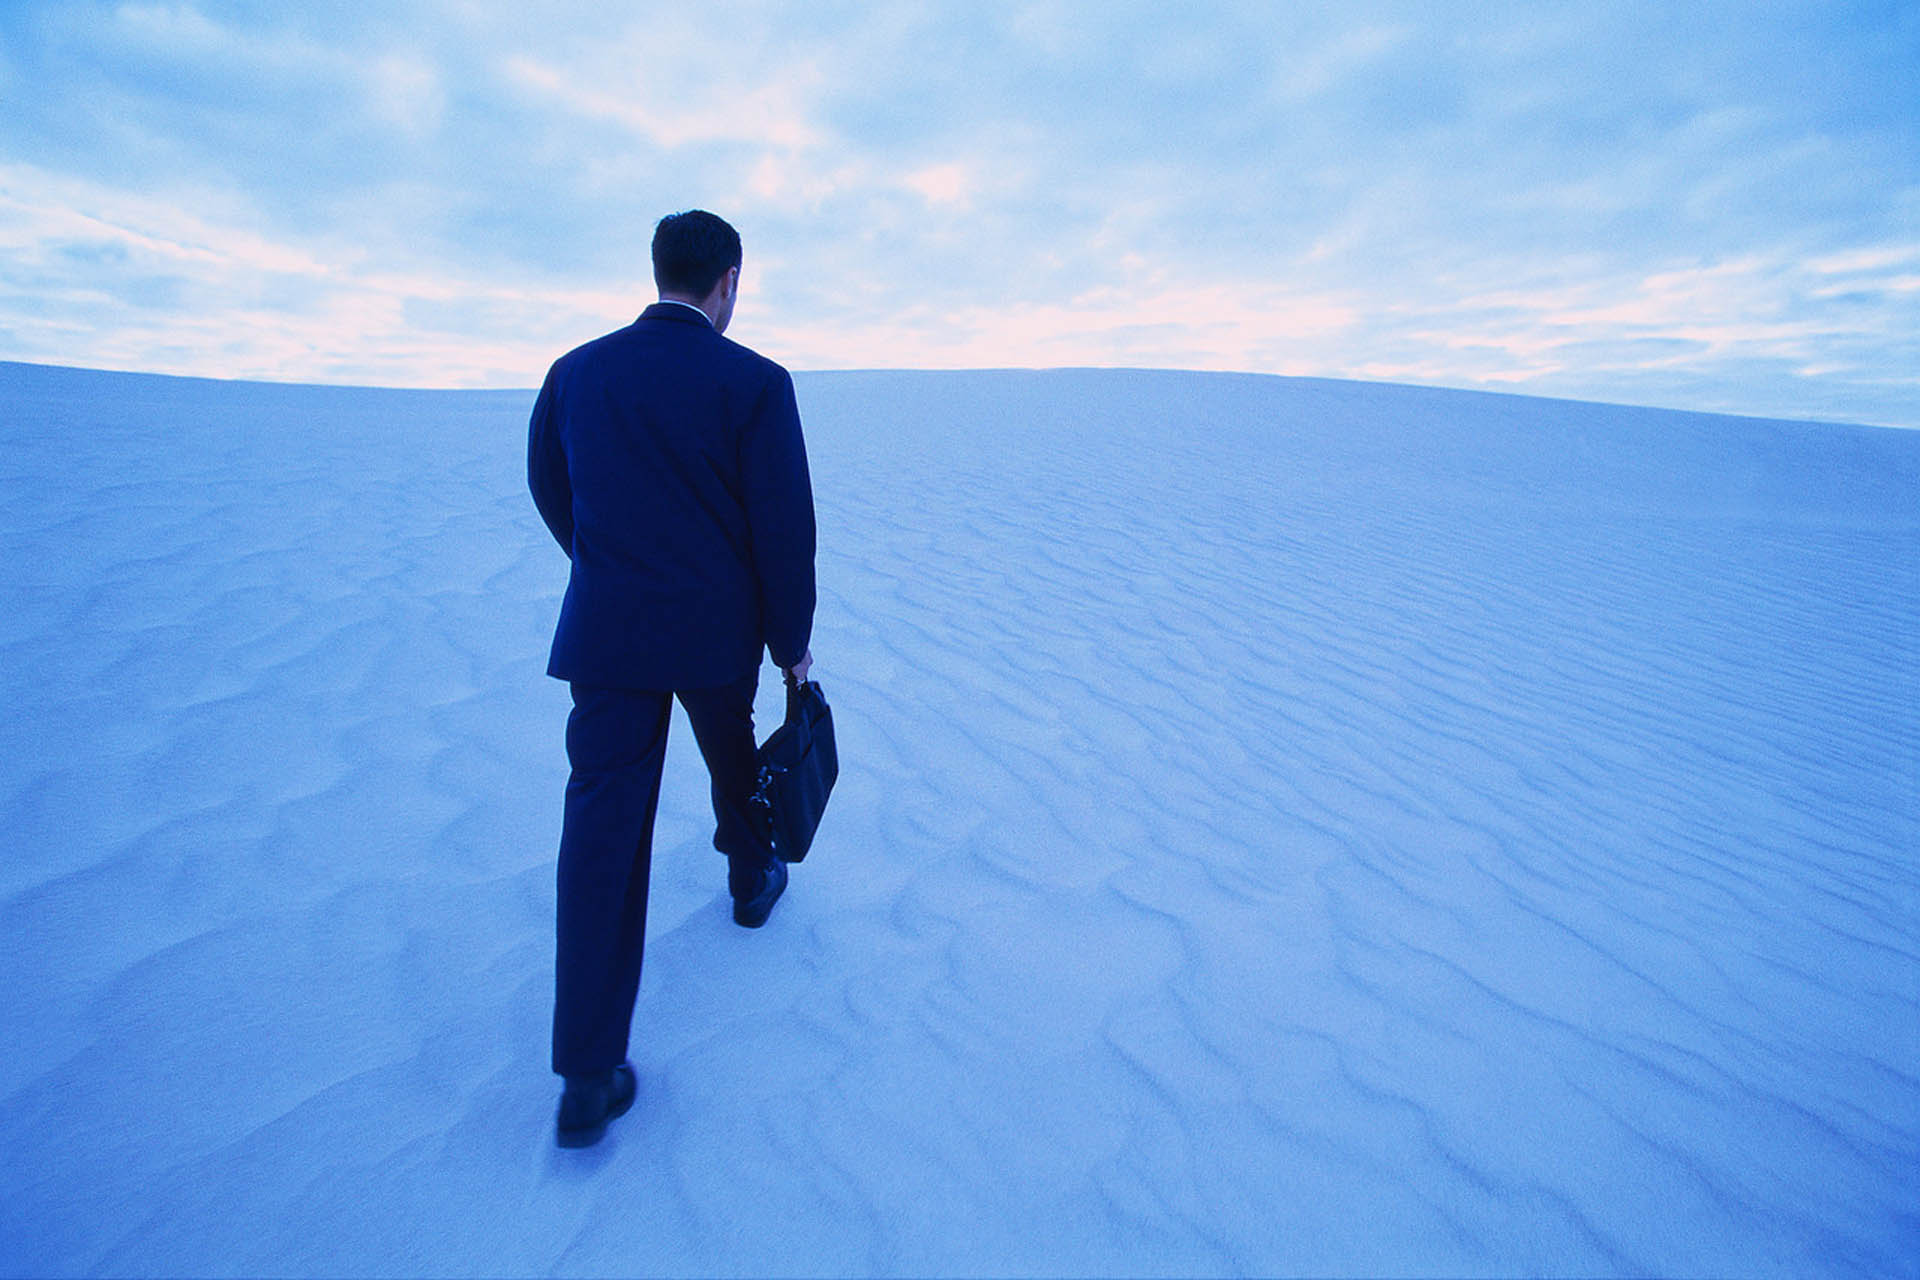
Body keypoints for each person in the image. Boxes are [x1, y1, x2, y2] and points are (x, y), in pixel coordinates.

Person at [527, 209, 817, 1148]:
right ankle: (749, 875)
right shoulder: (755, 383)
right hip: (714, 633)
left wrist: (603, 564)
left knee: (602, 830)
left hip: (609, 637)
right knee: (732, 753)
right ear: (727, 281)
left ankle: (585, 1074)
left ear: (659, 274)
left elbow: (549, 484)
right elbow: (784, 524)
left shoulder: (576, 372)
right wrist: (791, 640)